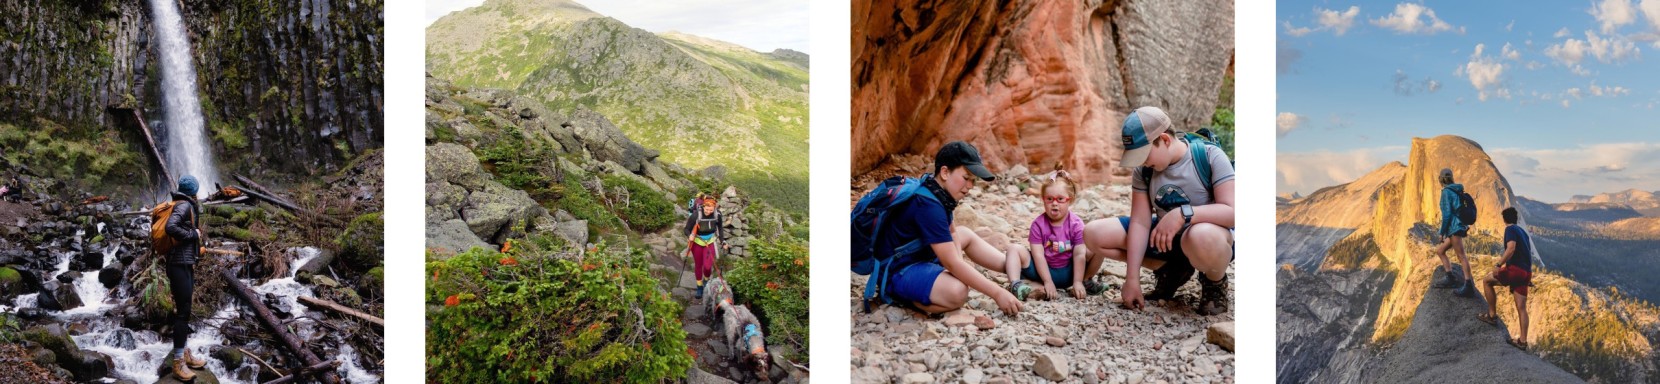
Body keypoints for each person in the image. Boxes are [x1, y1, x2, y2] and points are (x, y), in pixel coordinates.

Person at [1081, 106, 1235, 315]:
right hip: (1167, 241)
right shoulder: (1144, 171)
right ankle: (1170, 270)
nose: (1142, 161)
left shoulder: (1210, 156)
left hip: (1206, 238)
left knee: (1201, 235)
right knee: (1094, 234)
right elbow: (1140, 223)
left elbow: (1233, 212)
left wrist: (1183, 214)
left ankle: (1214, 282)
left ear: (1164, 139)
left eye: (1144, 154)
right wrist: (1132, 279)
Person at [877, 141, 1023, 316]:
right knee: (957, 291)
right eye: (966, 178)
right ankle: (910, 301)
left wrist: (958, 264)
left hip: (922, 254)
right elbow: (951, 263)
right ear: (945, 172)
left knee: (965, 234)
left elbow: (953, 232)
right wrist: (997, 293)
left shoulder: (937, 191)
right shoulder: (929, 206)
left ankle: (1017, 268)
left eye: (973, 181)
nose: (969, 186)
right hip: (899, 271)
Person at [1005, 165, 1109, 301]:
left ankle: (1085, 282)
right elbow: (1038, 256)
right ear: (1043, 200)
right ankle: (1015, 284)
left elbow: (1079, 254)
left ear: (1070, 200)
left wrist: (1077, 281)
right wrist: (1047, 281)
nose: (1054, 203)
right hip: (1042, 271)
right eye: (1049, 199)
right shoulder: (1038, 224)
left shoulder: (1076, 224)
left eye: (1060, 199)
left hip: (1070, 273)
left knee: (1098, 245)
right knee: (1014, 248)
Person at [163, 175, 206, 379]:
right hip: (178, 264)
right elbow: (171, 227)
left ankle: (184, 353)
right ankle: (178, 362)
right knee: (183, 312)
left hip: (183, 262)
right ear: (193, 192)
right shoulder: (184, 206)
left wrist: (197, 248)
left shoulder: (181, 203)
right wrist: (194, 235)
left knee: (185, 310)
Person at [1479, 207, 1533, 350]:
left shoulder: (1510, 229)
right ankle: (1522, 341)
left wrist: (1498, 264)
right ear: (1516, 218)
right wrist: (1527, 274)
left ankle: (1491, 316)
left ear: (1504, 219)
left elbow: (1511, 248)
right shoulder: (1523, 232)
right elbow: (1527, 253)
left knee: (1487, 281)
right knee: (1522, 308)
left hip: (1515, 270)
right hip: (1526, 272)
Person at [1431, 168, 1476, 296]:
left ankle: (1468, 285)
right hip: (1456, 227)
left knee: (1461, 256)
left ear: (1440, 179)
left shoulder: (1446, 192)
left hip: (1454, 228)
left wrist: (1441, 232)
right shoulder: (1456, 189)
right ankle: (1450, 277)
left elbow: (1447, 215)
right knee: (1440, 251)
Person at [685, 194, 727, 300]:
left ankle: (706, 279)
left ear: (714, 208)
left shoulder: (717, 215)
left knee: (708, 267)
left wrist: (723, 241)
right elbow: (686, 229)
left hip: (710, 242)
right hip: (697, 242)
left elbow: (720, 229)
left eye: (711, 210)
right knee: (698, 265)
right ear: (703, 206)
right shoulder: (695, 215)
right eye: (707, 209)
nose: (708, 212)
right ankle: (699, 287)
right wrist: (689, 235)